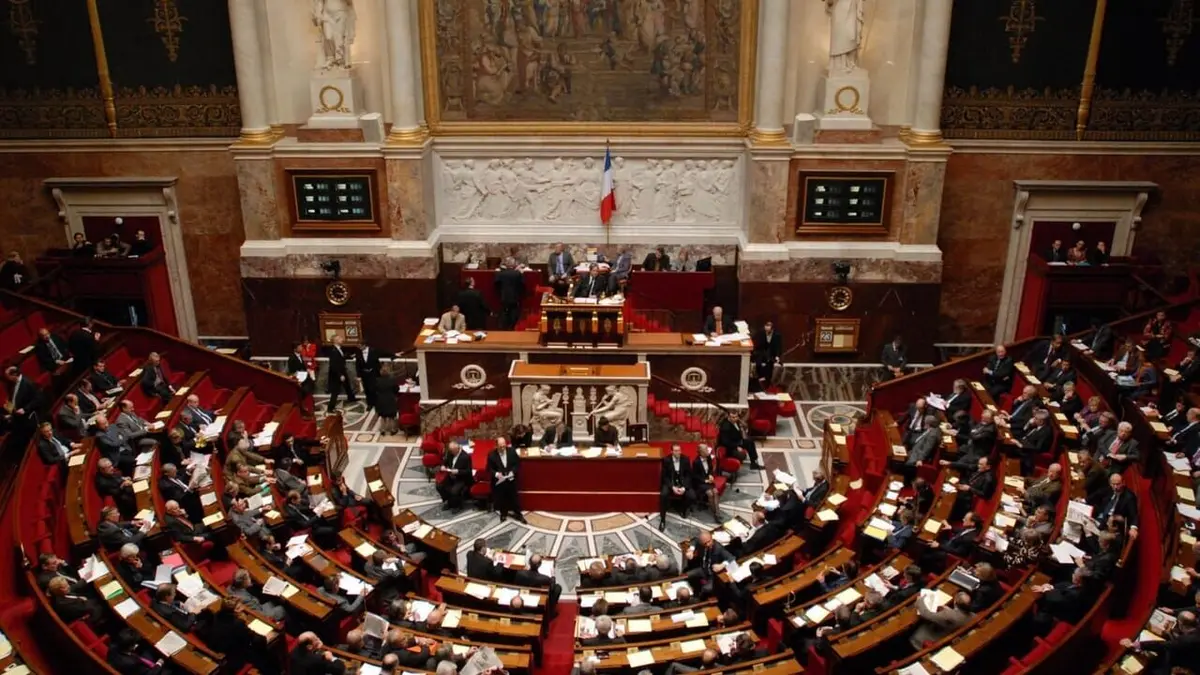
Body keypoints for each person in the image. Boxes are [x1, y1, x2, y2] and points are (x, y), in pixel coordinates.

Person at [1121, 609, 1200, 674]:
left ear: (1180, 624)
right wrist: (1170, 633)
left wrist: (1135, 644)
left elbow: (1162, 645)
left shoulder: (1186, 640)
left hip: (1189, 665)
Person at [1088, 473, 1139, 541]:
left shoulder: (1129, 497)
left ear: (1123, 483)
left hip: (1112, 524)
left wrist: (1133, 528)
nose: (1115, 487)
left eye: (1118, 484)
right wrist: (1084, 500)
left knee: (1087, 530)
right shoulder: (1110, 489)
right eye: (1113, 484)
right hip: (1101, 516)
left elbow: (1134, 514)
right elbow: (1098, 494)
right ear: (1110, 483)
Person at [684, 530, 733, 596]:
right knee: (687, 575)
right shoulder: (700, 542)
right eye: (705, 543)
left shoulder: (718, 548)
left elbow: (731, 558)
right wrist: (691, 550)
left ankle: (701, 597)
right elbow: (695, 540)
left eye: (709, 541)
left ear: (712, 538)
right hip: (703, 569)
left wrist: (722, 565)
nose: (707, 544)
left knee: (706, 589)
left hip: (713, 575)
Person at [487, 437, 525, 522]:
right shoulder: (491, 455)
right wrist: (497, 474)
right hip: (500, 481)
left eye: (504, 446)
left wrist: (512, 472)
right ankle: (503, 514)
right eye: (501, 446)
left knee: (514, 498)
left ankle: (518, 514)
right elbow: (489, 469)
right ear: (496, 446)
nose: (503, 448)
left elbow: (517, 464)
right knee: (502, 498)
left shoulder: (511, 451)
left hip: (511, 479)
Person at [659, 444, 693, 529]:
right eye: (676, 451)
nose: (678, 452)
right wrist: (672, 487)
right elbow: (664, 476)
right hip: (671, 483)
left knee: (692, 496)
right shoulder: (666, 460)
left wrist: (684, 487)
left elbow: (689, 475)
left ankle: (683, 510)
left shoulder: (685, 459)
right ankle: (663, 519)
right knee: (663, 495)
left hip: (682, 483)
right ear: (671, 452)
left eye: (679, 450)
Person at [437, 442, 473, 510]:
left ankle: (456, 505)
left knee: (454, 491)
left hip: (461, 478)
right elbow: (445, 461)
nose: (451, 452)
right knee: (439, 486)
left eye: (452, 451)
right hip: (451, 476)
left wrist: (458, 471)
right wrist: (443, 466)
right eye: (450, 450)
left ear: (457, 449)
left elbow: (468, 471)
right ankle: (448, 501)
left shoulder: (465, 457)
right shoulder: (450, 453)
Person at [325, 334, 356, 409]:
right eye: (340, 338)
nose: (342, 339)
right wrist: (340, 375)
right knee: (335, 391)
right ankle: (330, 408)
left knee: (347, 385)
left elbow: (341, 357)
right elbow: (334, 365)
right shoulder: (333, 351)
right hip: (337, 374)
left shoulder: (339, 349)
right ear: (335, 341)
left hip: (342, 371)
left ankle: (351, 398)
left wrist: (350, 356)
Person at [495, 257, 525, 329]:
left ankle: (504, 329)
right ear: (513, 264)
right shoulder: (517, 274)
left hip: (504, 297)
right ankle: (512, 328)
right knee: (514, 314)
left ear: (506, 264)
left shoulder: (501, 274)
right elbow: (523, 284)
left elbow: (496, 283)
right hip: (514, 297)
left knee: (504, 314)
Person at [692, 444, 721, 521]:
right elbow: (695, 476)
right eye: (705, 449)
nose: (708, 451)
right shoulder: (696, 462)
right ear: (701, 452)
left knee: (715, 492)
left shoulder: (708, 458)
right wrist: (705, 480)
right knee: (710, 493)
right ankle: (715, 514)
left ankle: (717, 513)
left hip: (709, 481)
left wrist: (711, 475)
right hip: (701, 483)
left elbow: (710, 469)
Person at [752, 321, 783, 386]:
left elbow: (778, 347)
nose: (767, 332)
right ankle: (760, 378)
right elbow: (757, 345)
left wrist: (777, 356)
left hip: (771, 353)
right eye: (766, 330)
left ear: (772, 329)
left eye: (768, 331)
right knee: (759, 362)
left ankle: (767, 381)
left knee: (770, 364)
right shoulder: (760, 333)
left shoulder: (777, 335)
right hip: (761, 352)